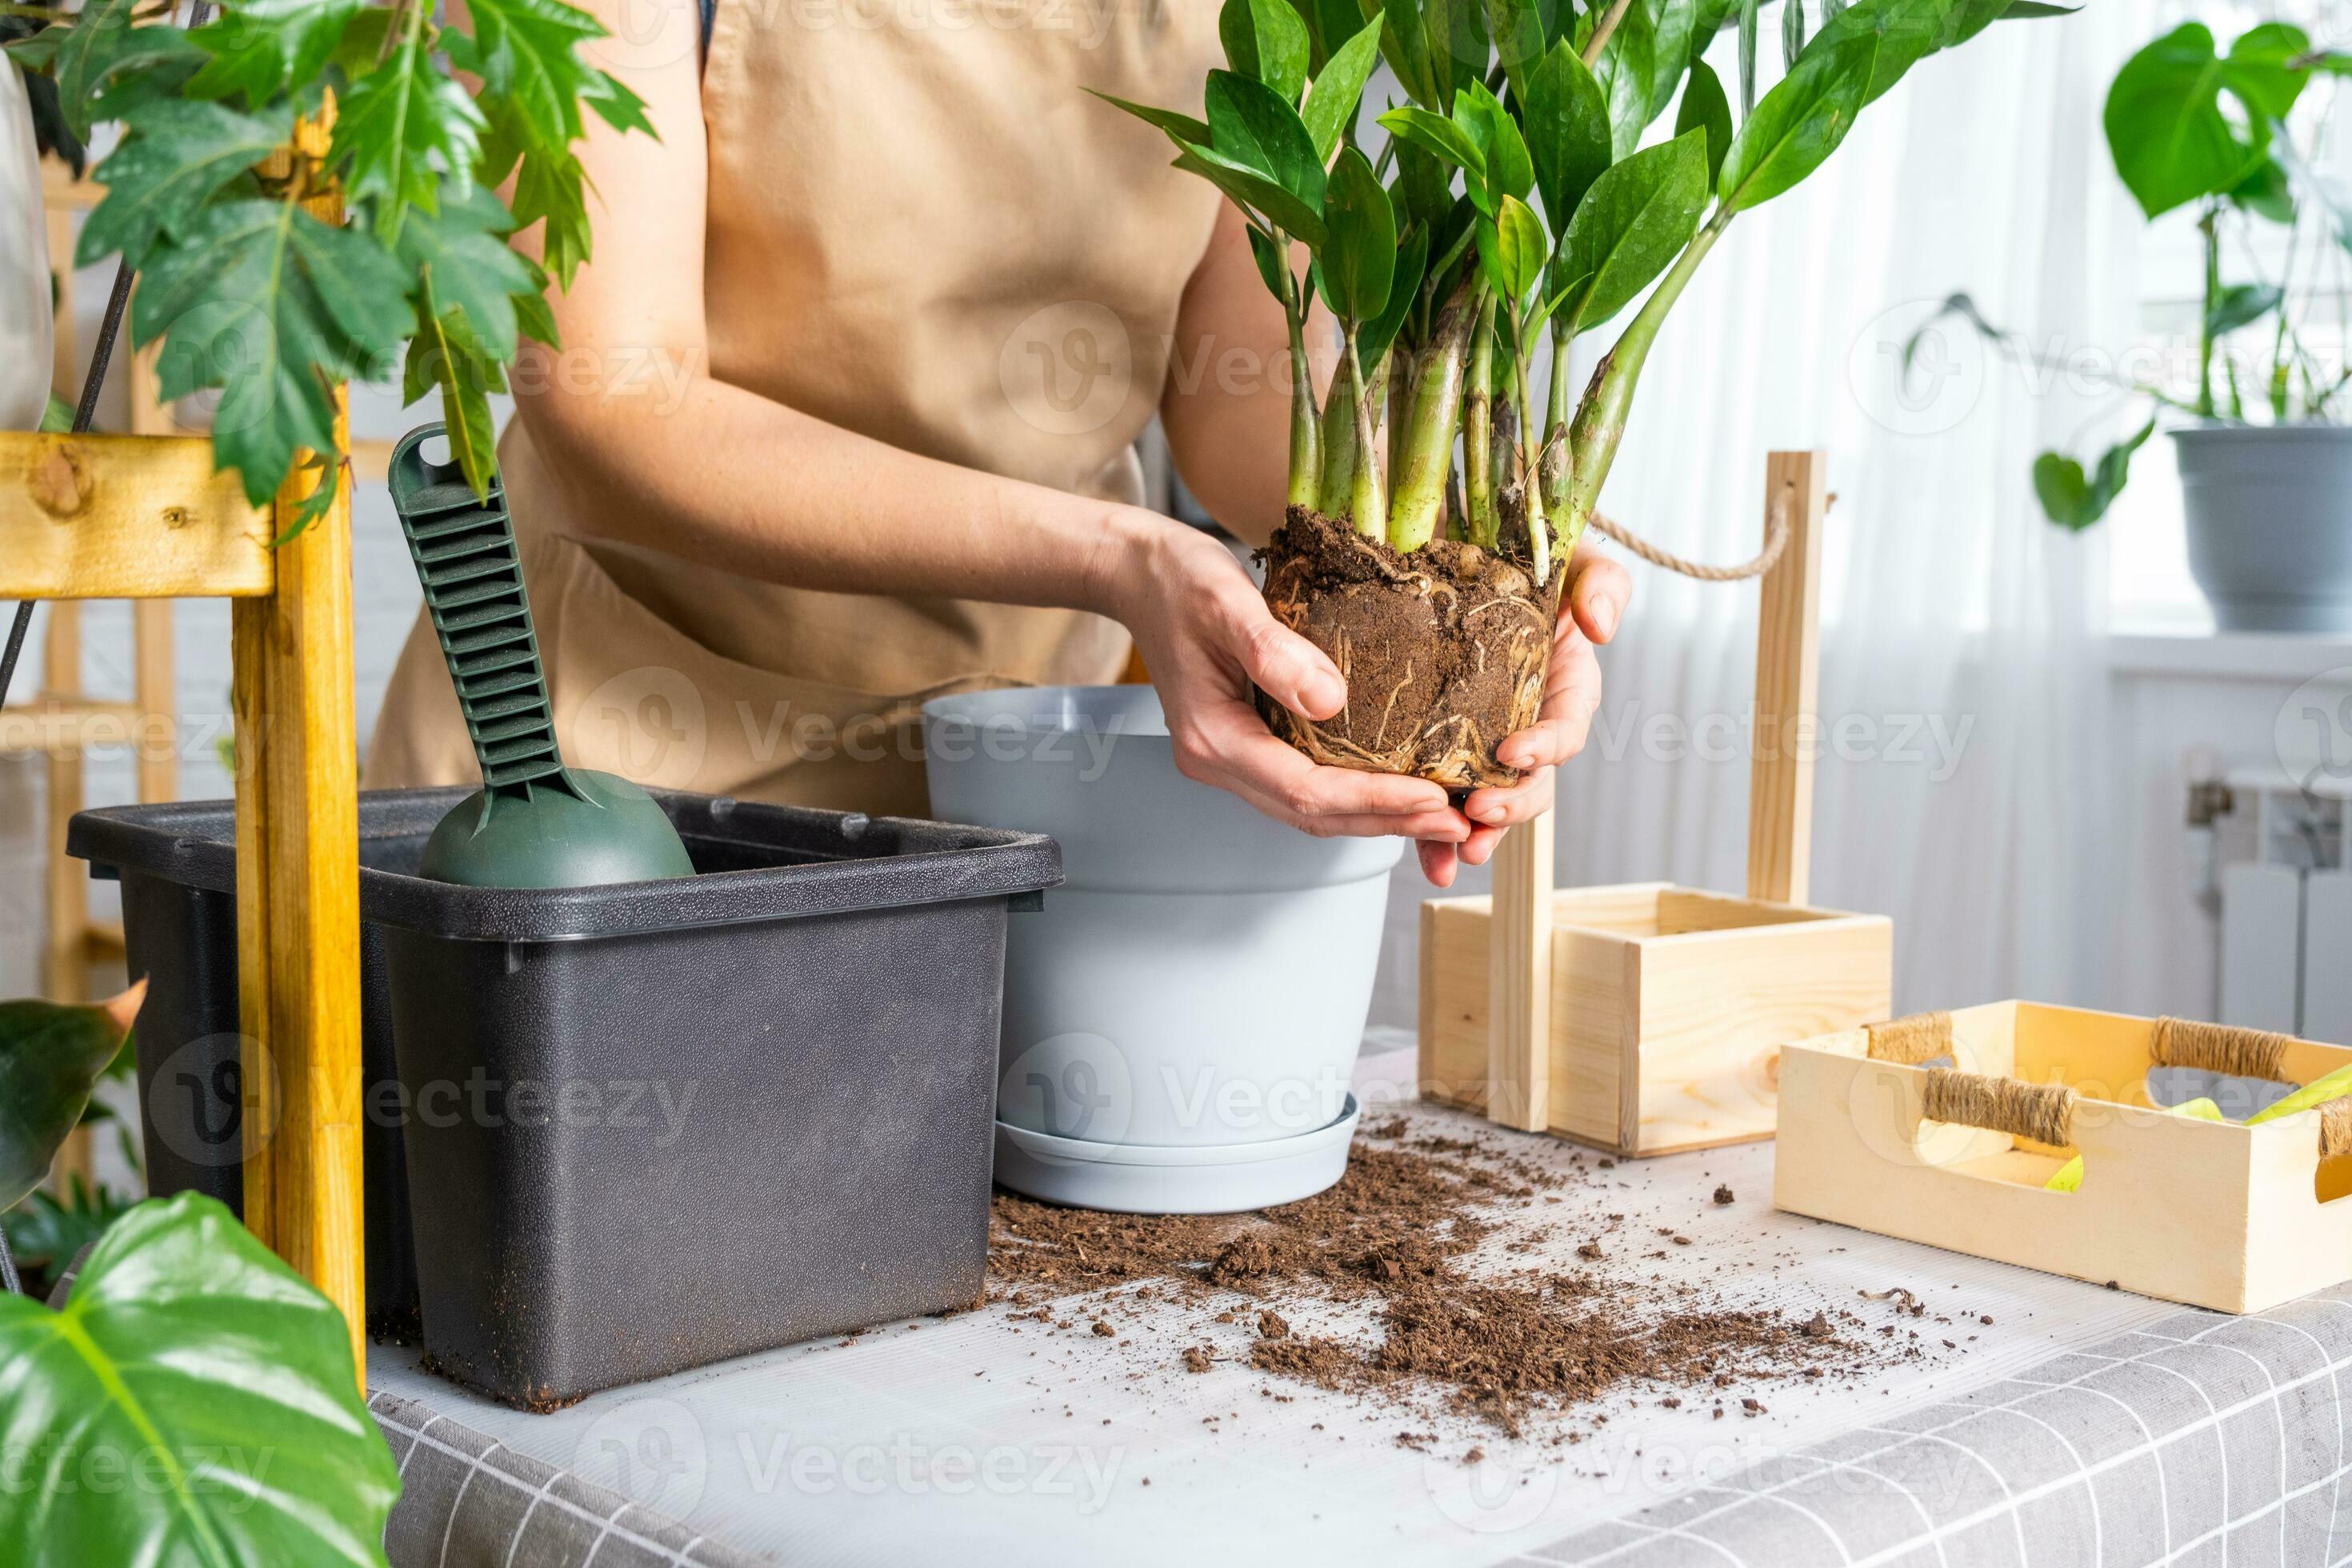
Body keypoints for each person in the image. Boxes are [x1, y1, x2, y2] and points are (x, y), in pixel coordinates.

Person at [362, 0, 1630, 886]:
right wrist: (1116, 557)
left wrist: (1484, 587)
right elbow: (615, 406)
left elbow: (1245, 408)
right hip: (606, 786)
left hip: (1021, 786)